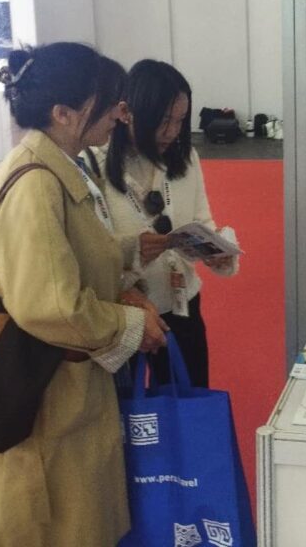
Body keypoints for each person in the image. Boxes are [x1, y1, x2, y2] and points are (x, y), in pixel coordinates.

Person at [0, 43, 168, 546]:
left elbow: (61, 256)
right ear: (63, 113)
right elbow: (52, 307)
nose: (119, 114)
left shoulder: (54, 164)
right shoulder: (37, 183)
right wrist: (131, 325)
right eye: (108, 103)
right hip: (39, 396)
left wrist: (128, 251)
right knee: (53, 526)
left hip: (52, 387)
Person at [90, 59, 238, 388]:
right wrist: (133, 252)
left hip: (182, 304)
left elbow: (201, 220)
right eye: (162, 120)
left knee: (189, 403)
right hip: (125, 310)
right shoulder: (96, 166)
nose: (172, 132)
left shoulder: (185, 158)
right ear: (128, 113)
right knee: (126, 409)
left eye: (180, 120)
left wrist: (218, 251)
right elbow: (90, 254)